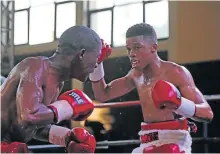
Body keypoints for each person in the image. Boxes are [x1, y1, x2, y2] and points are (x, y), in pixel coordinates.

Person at [89, 23, 214, 153]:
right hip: (147, 142)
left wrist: (179, 103)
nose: (131, 54)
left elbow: (208, 113)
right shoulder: (135, 75)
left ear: (153, 47)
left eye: (137, 47)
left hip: (175, 142)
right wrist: (97, 64)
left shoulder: (176, 73)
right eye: (129, 49)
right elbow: (102, 95)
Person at [0, 25, 110, 153]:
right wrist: (67, 107)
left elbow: (34, 126)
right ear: (82, 54)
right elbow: (29, 115)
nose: (96, 64)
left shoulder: (58, 83)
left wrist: (67, 137)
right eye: (96, 58)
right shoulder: (35, 67)